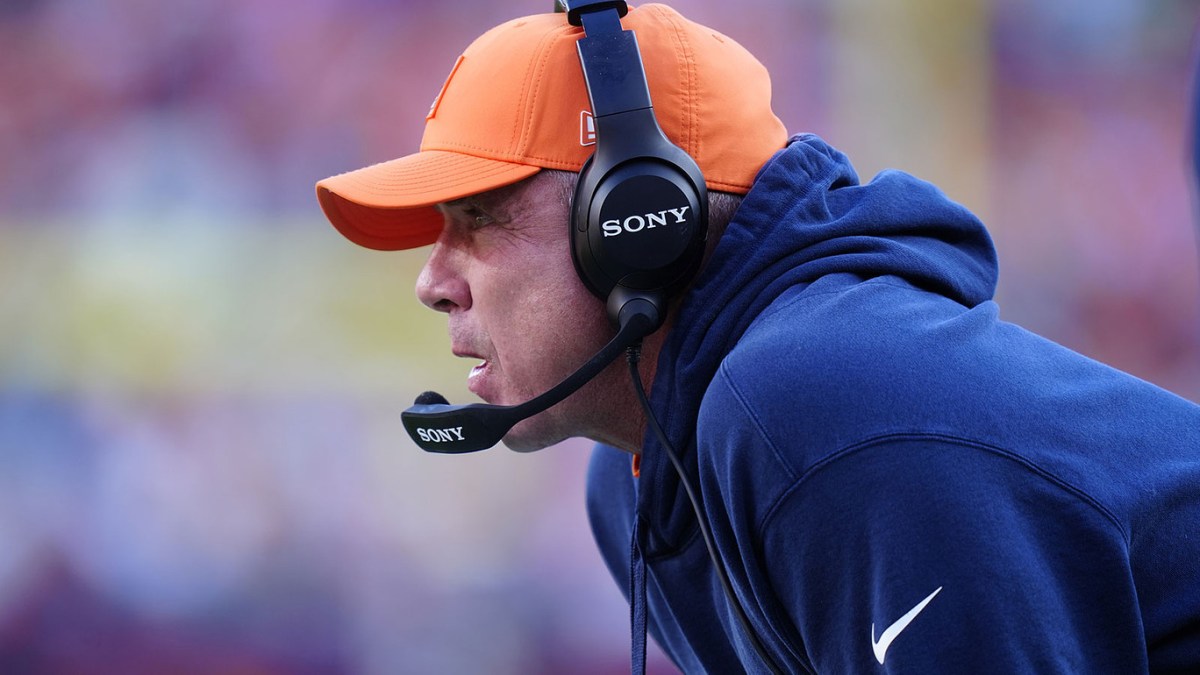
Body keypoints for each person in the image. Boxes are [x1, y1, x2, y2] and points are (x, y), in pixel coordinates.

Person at [315, 3, 1200, 673]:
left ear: (632, 219)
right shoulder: (639, 481)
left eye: (479, 219)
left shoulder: (816, 399)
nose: (433, 281)